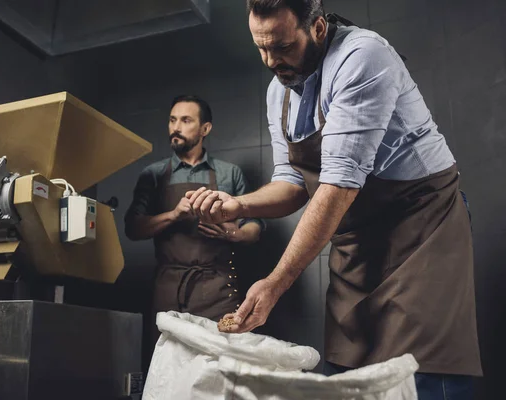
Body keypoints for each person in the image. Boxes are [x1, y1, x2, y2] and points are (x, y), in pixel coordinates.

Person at [186, 1, 482, 398]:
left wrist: (276, 282)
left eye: (283, 47)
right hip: (356, 241)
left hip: (421, 229)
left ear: (319, 28)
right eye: (261, 48)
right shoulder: (280, 93)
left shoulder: (363, 56)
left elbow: (338, 184)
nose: (272, 61)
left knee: (420, 373)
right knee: (346, 375)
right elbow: (293, 184)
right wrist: (239, 205)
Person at [125, 95, 263, 343]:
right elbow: (132, 228)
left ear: (205, 129)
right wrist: (174, 215)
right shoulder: (154, 175)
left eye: (186, 120)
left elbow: (256, 227)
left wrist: (234, 233)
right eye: (172, 120)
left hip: (218, 289)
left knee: (220, 365)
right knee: (166, 366)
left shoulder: (229, 173)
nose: (175, 127)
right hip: (169, 287)